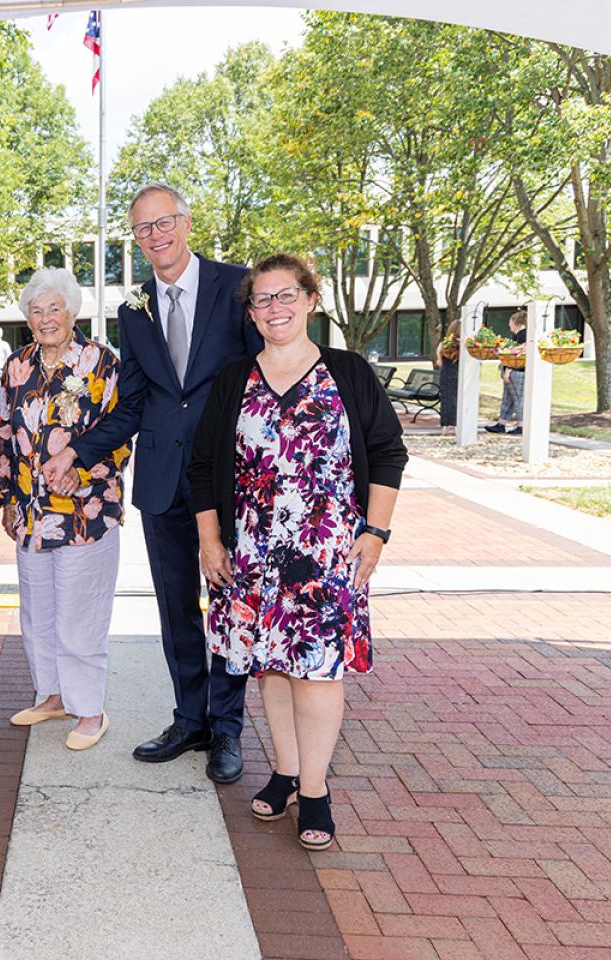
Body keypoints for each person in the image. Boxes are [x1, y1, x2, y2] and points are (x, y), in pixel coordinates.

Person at [42, 182, 263, 783]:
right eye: (144, 228)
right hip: (164, 483)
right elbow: (134, 401)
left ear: (187, 223)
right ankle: (189, 719)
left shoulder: (236, 286)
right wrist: (77, 451)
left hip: (229, 479)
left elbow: (261, 377)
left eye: (165, 222)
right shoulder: (132, 311)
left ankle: (228, 729)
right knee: (175, 610)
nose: (156, 235)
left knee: (230, 606)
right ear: (136, 241)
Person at [190, 253, 407, 849]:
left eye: (287, 295)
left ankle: (315, 790)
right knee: (272, 669)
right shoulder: (234, 380)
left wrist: (376, 532)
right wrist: (211, 541)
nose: (275, 308)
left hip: (327, 554)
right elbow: (204, 467)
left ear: (312, 300)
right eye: (263, 300)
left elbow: (388, 453)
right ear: (252, 314)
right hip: (254, 554)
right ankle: (286, 770)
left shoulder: (349, 372)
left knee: (315, 673)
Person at [0, 268, 130, 750]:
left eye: (55, 308)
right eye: (36, 309)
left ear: (72, 312)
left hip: (85, 514)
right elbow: (5, 434)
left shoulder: (101, 363)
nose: (46, 318)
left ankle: (90, 709)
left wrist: (85, 470)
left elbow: (122, 433)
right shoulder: (17, 364)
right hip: (31, 512)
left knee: (81, 615)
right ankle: (52, 695)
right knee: (38, 613)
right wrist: (7, 498)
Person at [485, 310, 526, 435]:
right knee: (508, 398)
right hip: (512, 371)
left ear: (515, 321)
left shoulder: (522, 335)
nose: (509, 324)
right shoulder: (518, 335)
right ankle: (501, 423)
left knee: (518, 399)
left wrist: (508, 371)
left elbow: (518, 355)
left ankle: (521, 426)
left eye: (510, 321)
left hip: (516, 371)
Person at [437, 319, 460, 435]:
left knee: (446, 400)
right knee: (458, 400)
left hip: (446, 374)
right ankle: (456, 426)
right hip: (459, 375)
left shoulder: (443, 345)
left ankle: (445, 427)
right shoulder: (463, 346)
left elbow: (439, 363)